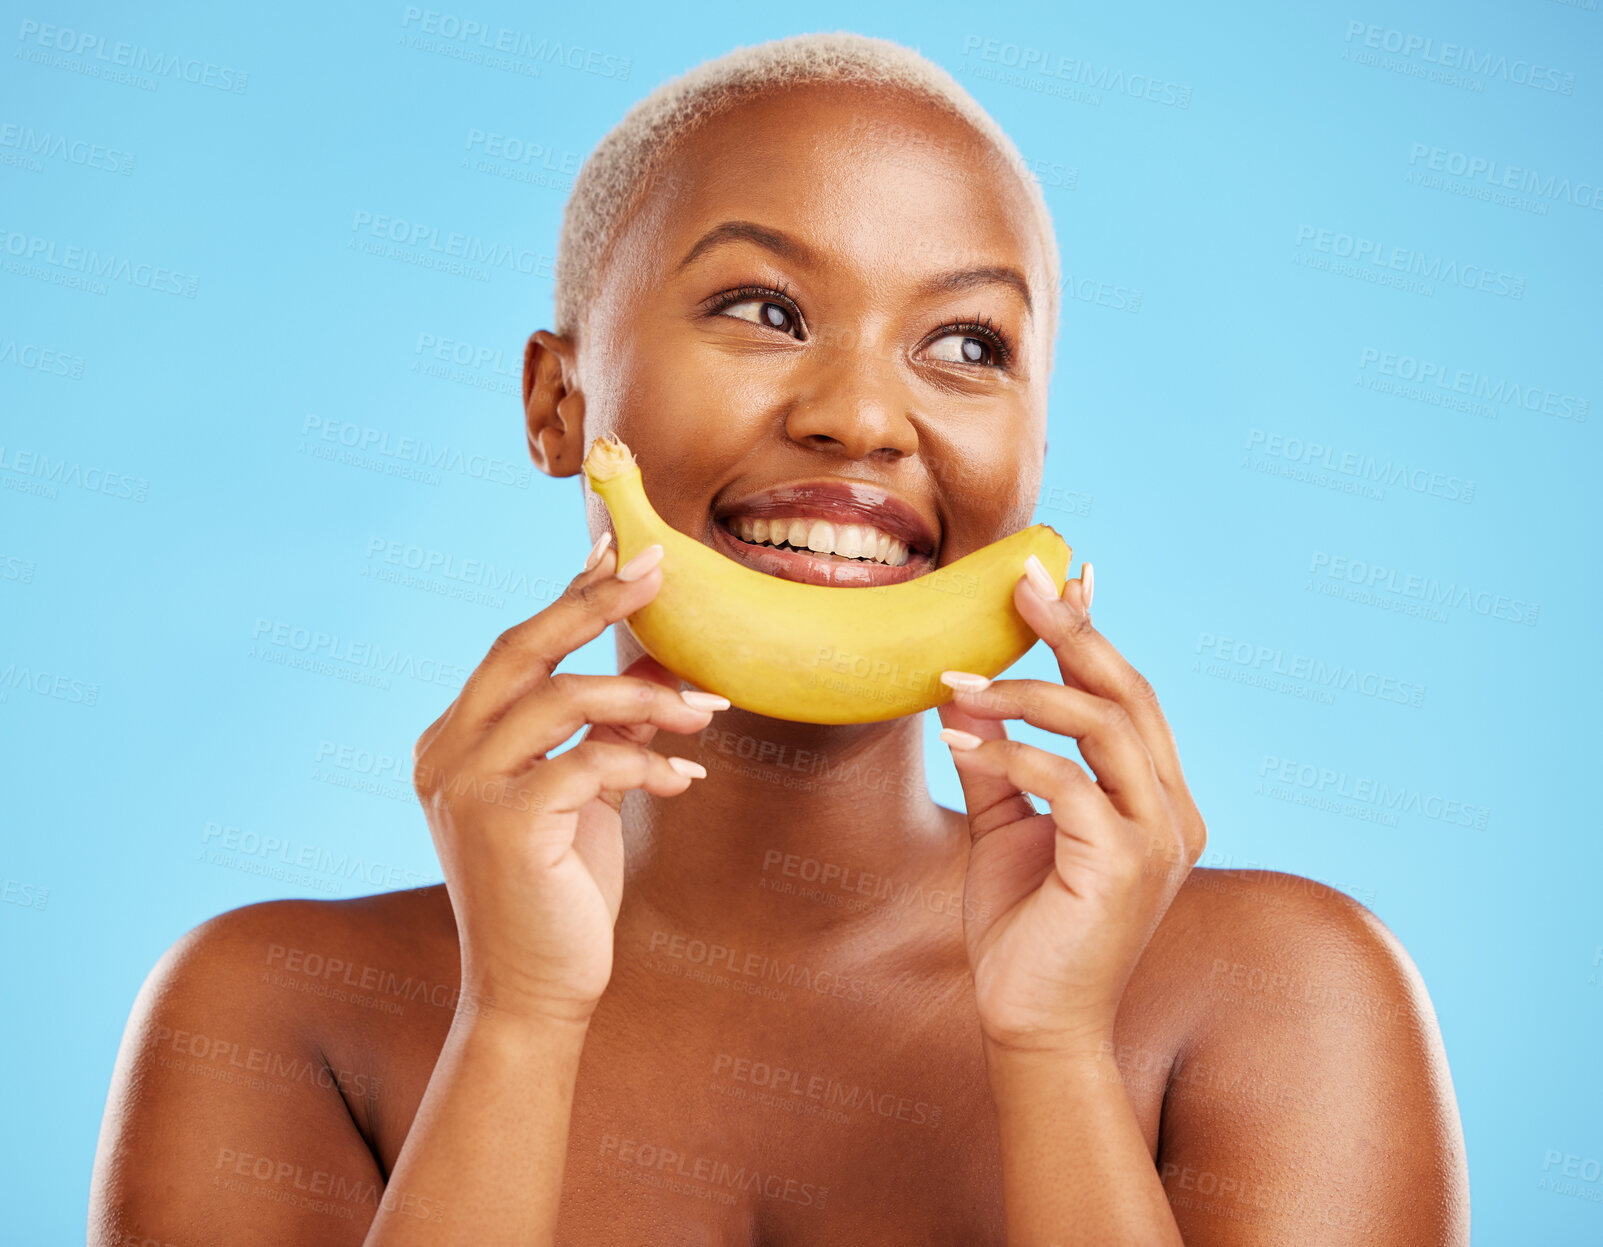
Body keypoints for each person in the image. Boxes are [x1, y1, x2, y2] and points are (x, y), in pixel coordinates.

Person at [89, 32, 1469, 1245]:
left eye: (969, 345)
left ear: (1037, 441)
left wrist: (1053, 1052)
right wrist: (514, 1026)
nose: (863, 418)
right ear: (559, 406)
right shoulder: (277, 1020)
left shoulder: (1280, 1002)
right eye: (765, 310)